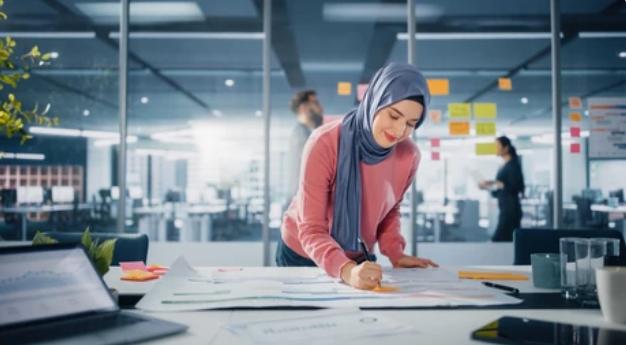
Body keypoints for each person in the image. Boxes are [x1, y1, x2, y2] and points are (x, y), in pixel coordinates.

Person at [277, 62, 438, 290]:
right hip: (302, 252)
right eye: (394, 116)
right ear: (375, 102)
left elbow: (390, 210)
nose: (400, 130)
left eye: (411, 123)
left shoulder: (409, 155)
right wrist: (347, 271)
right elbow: (311, 228)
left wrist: (395, 253)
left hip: (357, 256)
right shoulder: (324, 142)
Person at [479, 136, 525, 242]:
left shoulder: (513, 165)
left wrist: (496, 183)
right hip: (504, 207)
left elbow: (514, 186)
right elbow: (500, 191)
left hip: (511, 209)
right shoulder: (504, 166)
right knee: (503, 240)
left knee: (500, 239)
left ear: (506, 148)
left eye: (497, 146)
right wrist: (488, 187)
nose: (495, 149)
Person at [287, 90, 324, 201]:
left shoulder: (305, 133)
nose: (321, 108)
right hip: (301, 202)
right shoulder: (302, 136)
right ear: (304, 108)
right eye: (316, 103)